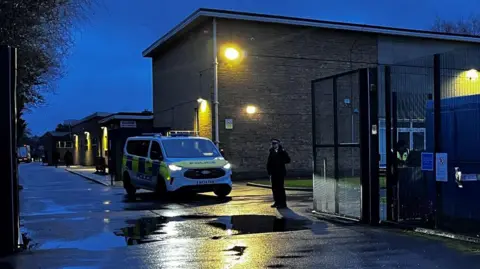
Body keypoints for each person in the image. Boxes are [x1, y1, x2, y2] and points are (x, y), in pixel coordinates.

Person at [266, 139, 291, 208]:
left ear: (278, 144)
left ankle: (283, 203)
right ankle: (277, 202)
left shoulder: (282, 151)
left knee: (280, 188)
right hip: (273, 173)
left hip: (280, 173)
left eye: (275, 143)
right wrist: (269, 171)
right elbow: (269, 163)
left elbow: (288, 160)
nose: (274, 145)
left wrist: (281, 160)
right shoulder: (271, 152)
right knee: (274, 188)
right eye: (273, 143)